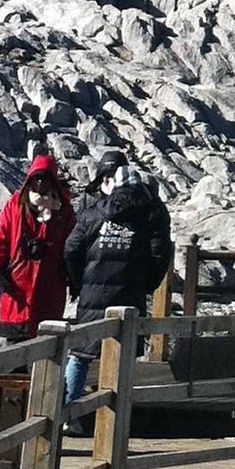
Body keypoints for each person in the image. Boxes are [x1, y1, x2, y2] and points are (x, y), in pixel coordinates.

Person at [62, 162, 174, 422]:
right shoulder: (153, 212)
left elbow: (71, 249)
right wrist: (148, 284)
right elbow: (161, 254)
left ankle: (69, 415)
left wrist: (80, 281)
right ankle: (115, 417)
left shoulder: (93, 212)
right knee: (122, 358)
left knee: (81, 355)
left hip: (92, 293)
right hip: (130, 294)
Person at [0, 151, 76, 340]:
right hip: (17, 287)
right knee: (14, 352)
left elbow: (73, 245)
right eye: (37, 180)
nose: (40, 185)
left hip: (49, 285)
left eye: (45, 180)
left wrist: (71, 274)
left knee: (46, 351)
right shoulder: (16, 206)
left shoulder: (63, 211)